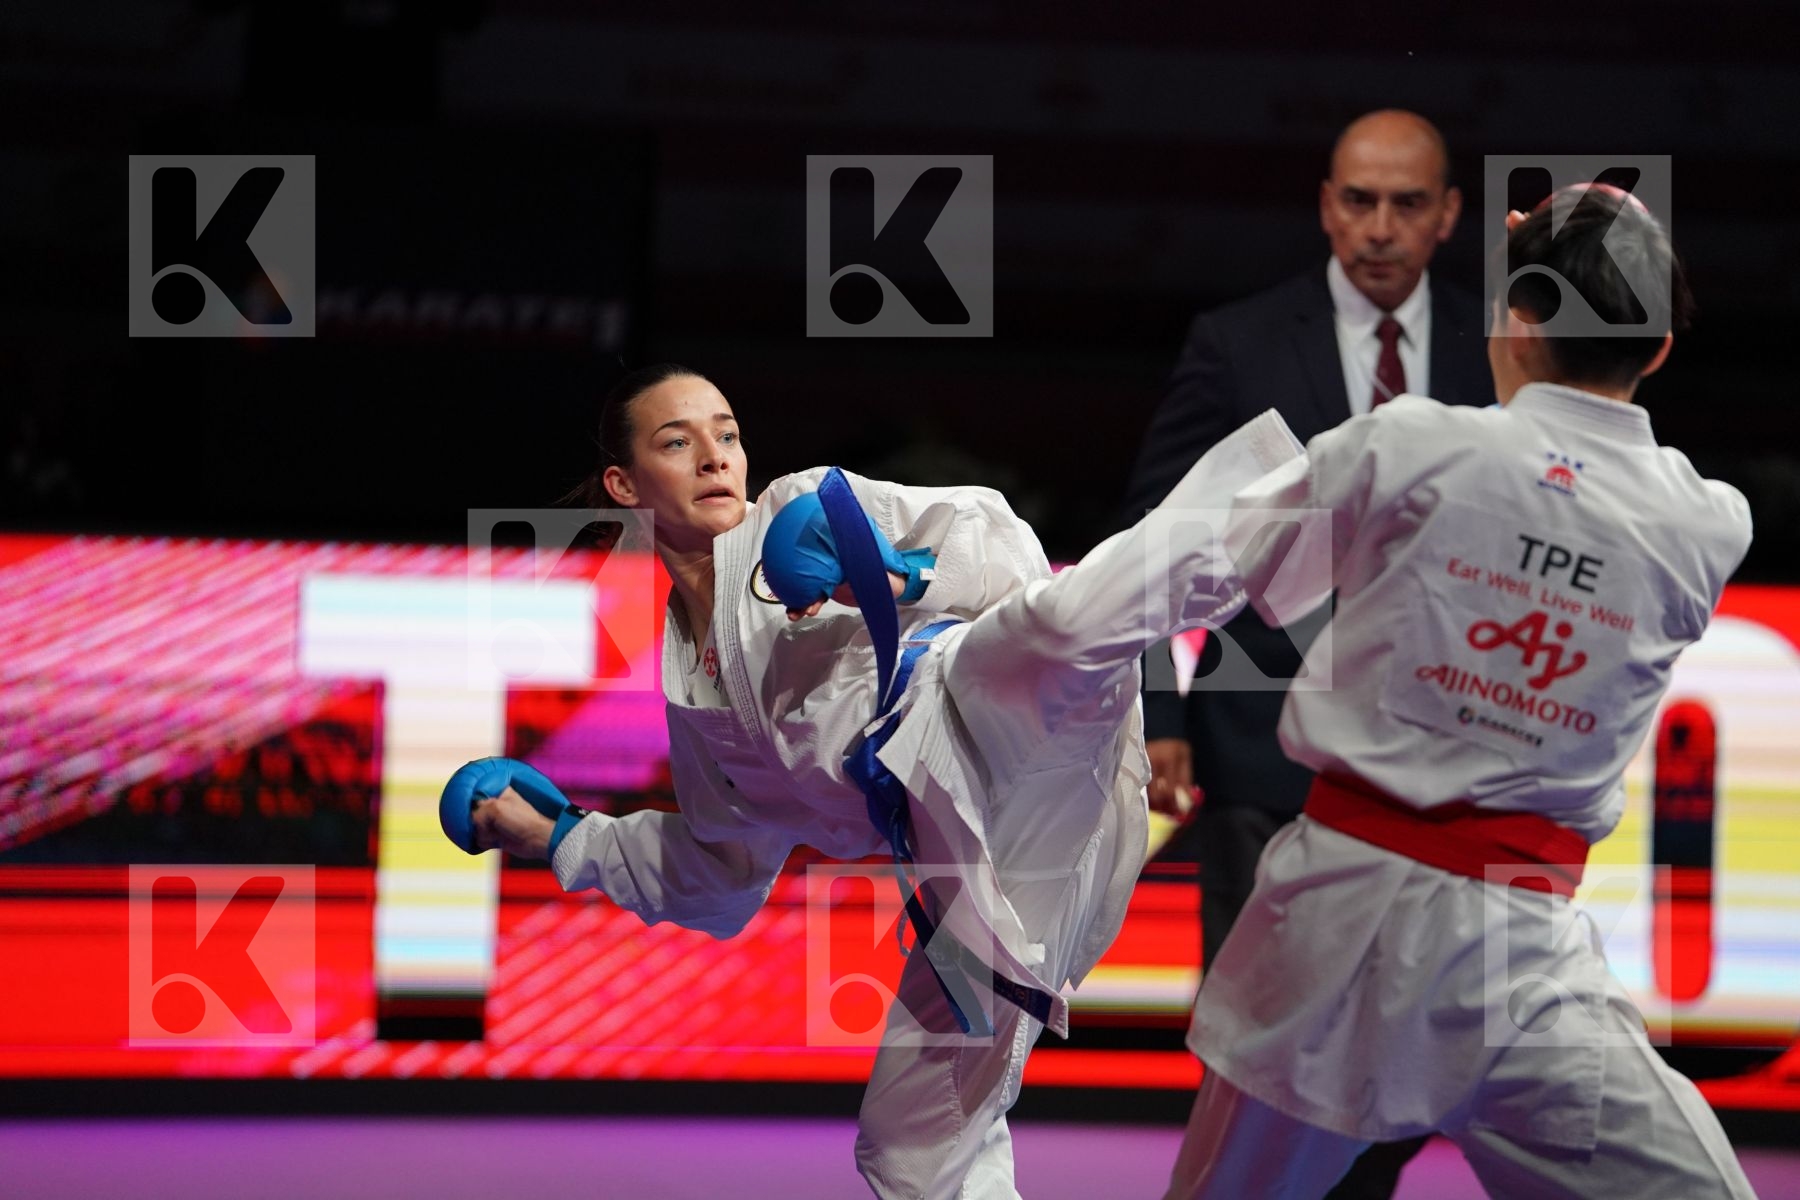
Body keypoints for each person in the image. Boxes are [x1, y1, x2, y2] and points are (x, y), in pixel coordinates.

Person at [452, 362, 1308, 1199]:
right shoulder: (692, 698)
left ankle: (1317, 491)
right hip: (978, 865)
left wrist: (897, 571)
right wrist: (559, 835)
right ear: (626, 484)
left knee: (1070, 615)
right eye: (678, 443)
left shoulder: (802, 507)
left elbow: (995, 536)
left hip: (977, 702)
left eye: (728, 435)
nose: (716, 457)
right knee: (910, 1149)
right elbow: (717, 873)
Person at [1162, 187, 1759, 1198]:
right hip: (1522, 954)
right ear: (1656, 347)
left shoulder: (1407, 444)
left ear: (1514, 323)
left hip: (1335, 926)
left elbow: (1245, 576)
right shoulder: (1711, 523)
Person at [1122, 108, 1489, 1196]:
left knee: (1400, 1049)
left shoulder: (1500, 349)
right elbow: (1151, 540)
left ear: (1448, 217)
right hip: (1261, 751)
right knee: (1258, 1051)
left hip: (1439, 766)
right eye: (1358, 200)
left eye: (1406, 204)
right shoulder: (1235, 341)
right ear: (1327, 205)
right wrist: (1164, 715)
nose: (1379, 227)